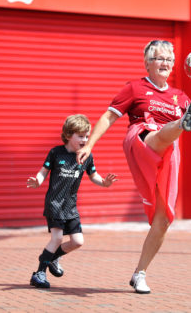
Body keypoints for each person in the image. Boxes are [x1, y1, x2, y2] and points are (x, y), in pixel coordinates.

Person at [76, 40, 191, 294]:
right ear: (147, 63)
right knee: (161, 134)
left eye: (168, 60)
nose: (165, 63)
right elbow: (109, 116)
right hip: (140, 139)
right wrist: (90, 146)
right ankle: (180, 124)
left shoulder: (180, 97)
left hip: (168, 152)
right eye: (159, 58)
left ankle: (139, 273)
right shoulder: (135, 88)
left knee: (163, 220)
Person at [27, 114, 118, 289]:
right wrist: (38, 181)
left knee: (77, 241)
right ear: (69, 135)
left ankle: (52, 258)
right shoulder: (55, 153)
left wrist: (104, 183)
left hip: (70, 206)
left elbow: (94, 176)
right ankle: (39, 273)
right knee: (57, 238)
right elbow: (43, 172)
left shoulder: (86, 156)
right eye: (80, 136)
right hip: (54, 204)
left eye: (86, 136)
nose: (84, 140)